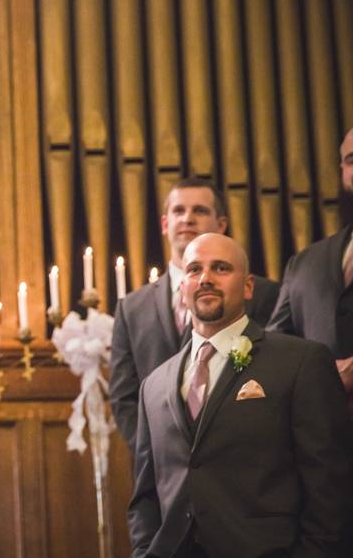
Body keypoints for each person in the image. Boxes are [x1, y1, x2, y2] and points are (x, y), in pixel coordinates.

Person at [128, 233, 353, 558]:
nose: (205, 278)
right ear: (182, 288)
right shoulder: (154, 384)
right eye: (194, 270)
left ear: (248, 286)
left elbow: (328, 486)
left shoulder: (300, 362)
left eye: (220, 268)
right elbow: (145, 496)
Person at [109, 178, 280, 451]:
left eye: (199, 211)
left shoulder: (263, 294)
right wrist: (155, 449)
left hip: (242, 454)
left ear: (221, 225)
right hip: (162, 463)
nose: (188, 218)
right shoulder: (131, 309)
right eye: (179, 211)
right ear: (165, 224)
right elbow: (123, 397)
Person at [269, 126, 353, 410]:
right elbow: (276, 345)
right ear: (342, 169)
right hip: (325, 436)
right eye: (352, 160)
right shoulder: (304, 262)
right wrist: (319, 376)